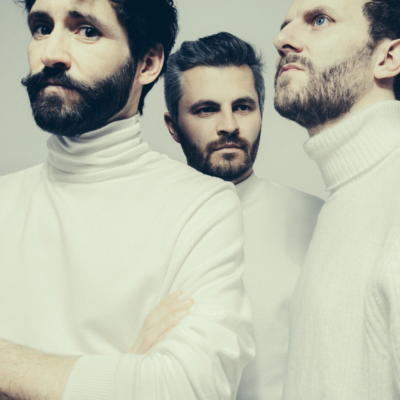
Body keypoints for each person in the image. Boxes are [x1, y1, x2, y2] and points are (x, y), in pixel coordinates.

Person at [0, 0, 254, 399]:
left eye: (87, 31)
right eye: (42, 27)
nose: (50, 54)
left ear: (147, 63)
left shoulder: (202, 207)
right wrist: (124, 372)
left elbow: (185, 388)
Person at [163, 32, 323, 400]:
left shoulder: (318, 220)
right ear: (173, 127)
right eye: (206, 109)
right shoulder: (144, 229)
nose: (229, 125)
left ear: (261, 114)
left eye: (243, 106)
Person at [273, 0, 400, 398]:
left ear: (388, 58)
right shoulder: (347, 195)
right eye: (285, 24)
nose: (282, 39)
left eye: (319, 20)